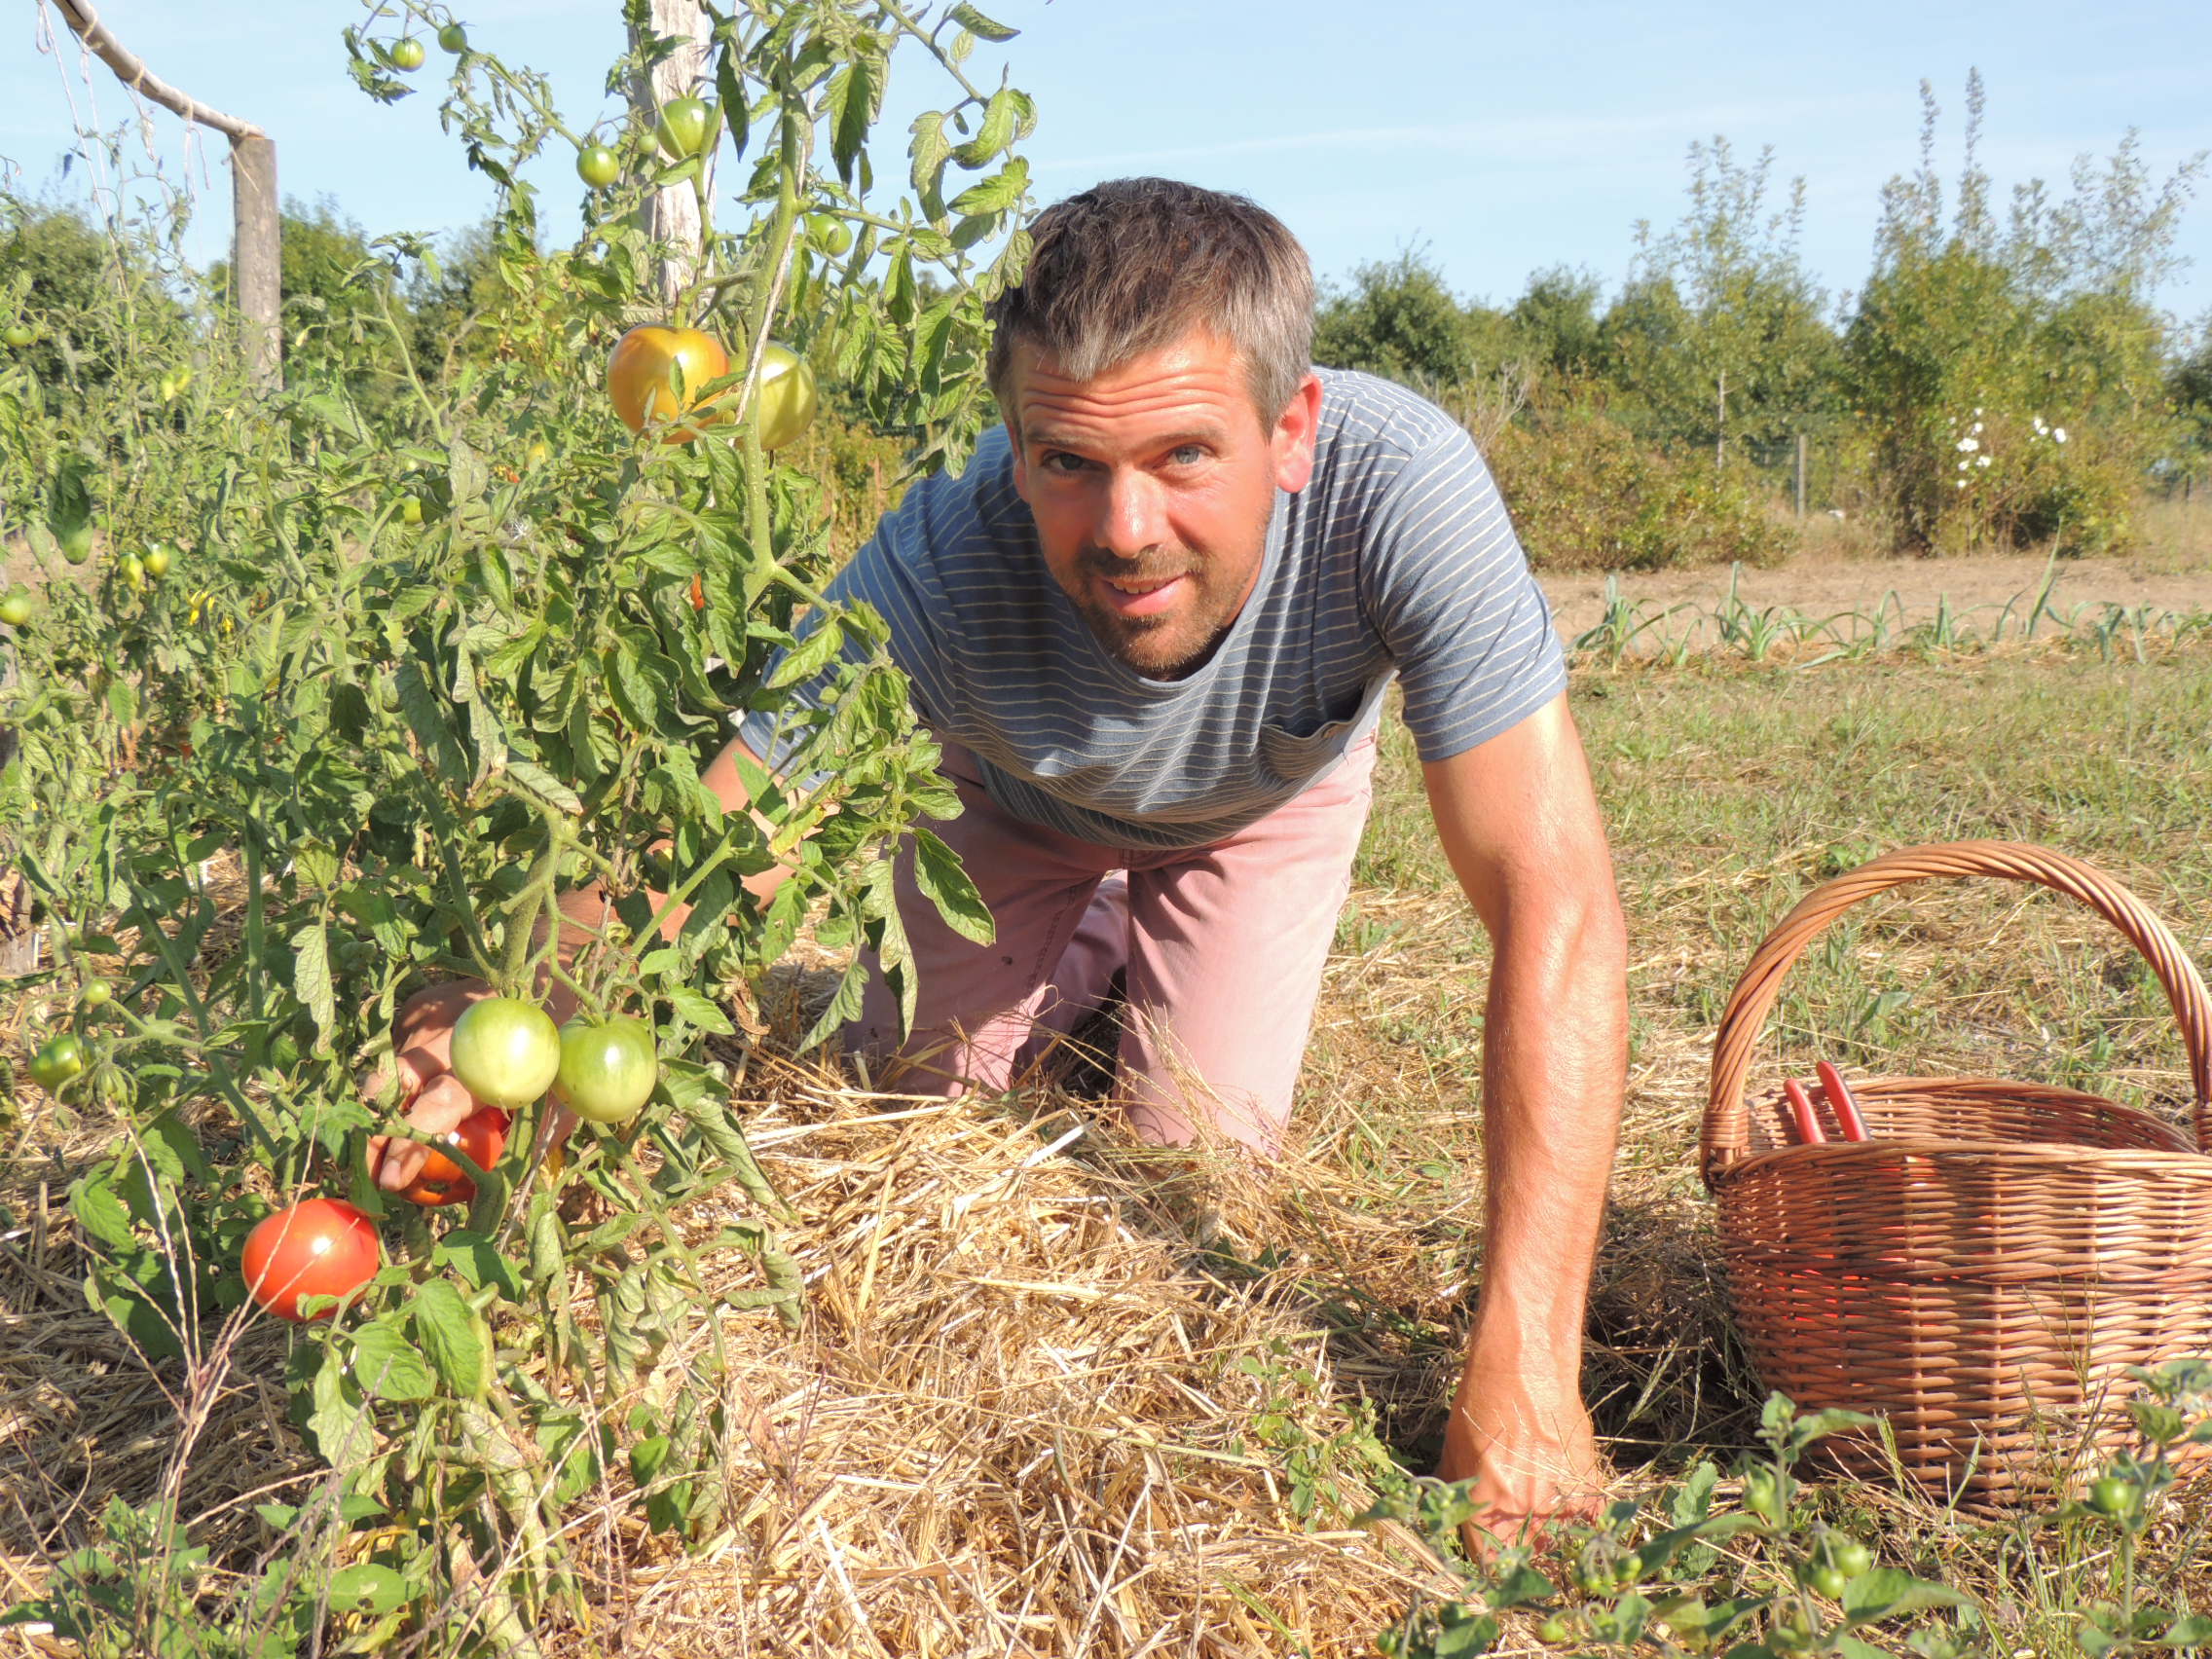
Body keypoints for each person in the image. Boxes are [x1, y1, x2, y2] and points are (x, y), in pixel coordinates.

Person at [370, 177, 1628, 1541]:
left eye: (1183, 456)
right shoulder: (941, 555)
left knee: (1199, 1178)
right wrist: (505, 1011)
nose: (1127, 529)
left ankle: (1117, 977)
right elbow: (717, 842)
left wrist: (1527, 1370)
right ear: (1015, 448)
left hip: (1260, 811)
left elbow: (1553, 903)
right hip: (1018, 806)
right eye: (1070, 462)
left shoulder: (1403, 490)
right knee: (914, 1108)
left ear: (1291, 430)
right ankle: (1079, 954)